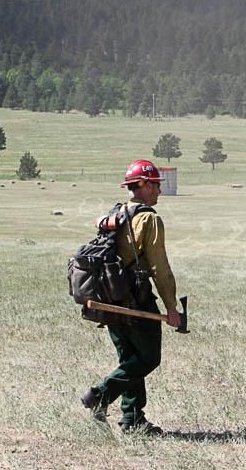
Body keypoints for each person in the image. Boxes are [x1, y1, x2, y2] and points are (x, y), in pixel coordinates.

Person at [81, 158, 182, 435]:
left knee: (130, 360)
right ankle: (101, 394)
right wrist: (171, 307)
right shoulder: (148, 219)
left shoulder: (116, 214)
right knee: (148, 358)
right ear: (145, 186)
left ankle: (132, 418)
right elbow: (160, 267)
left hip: (110, 298)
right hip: (137, 299)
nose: (159, 191)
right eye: (156, 185)